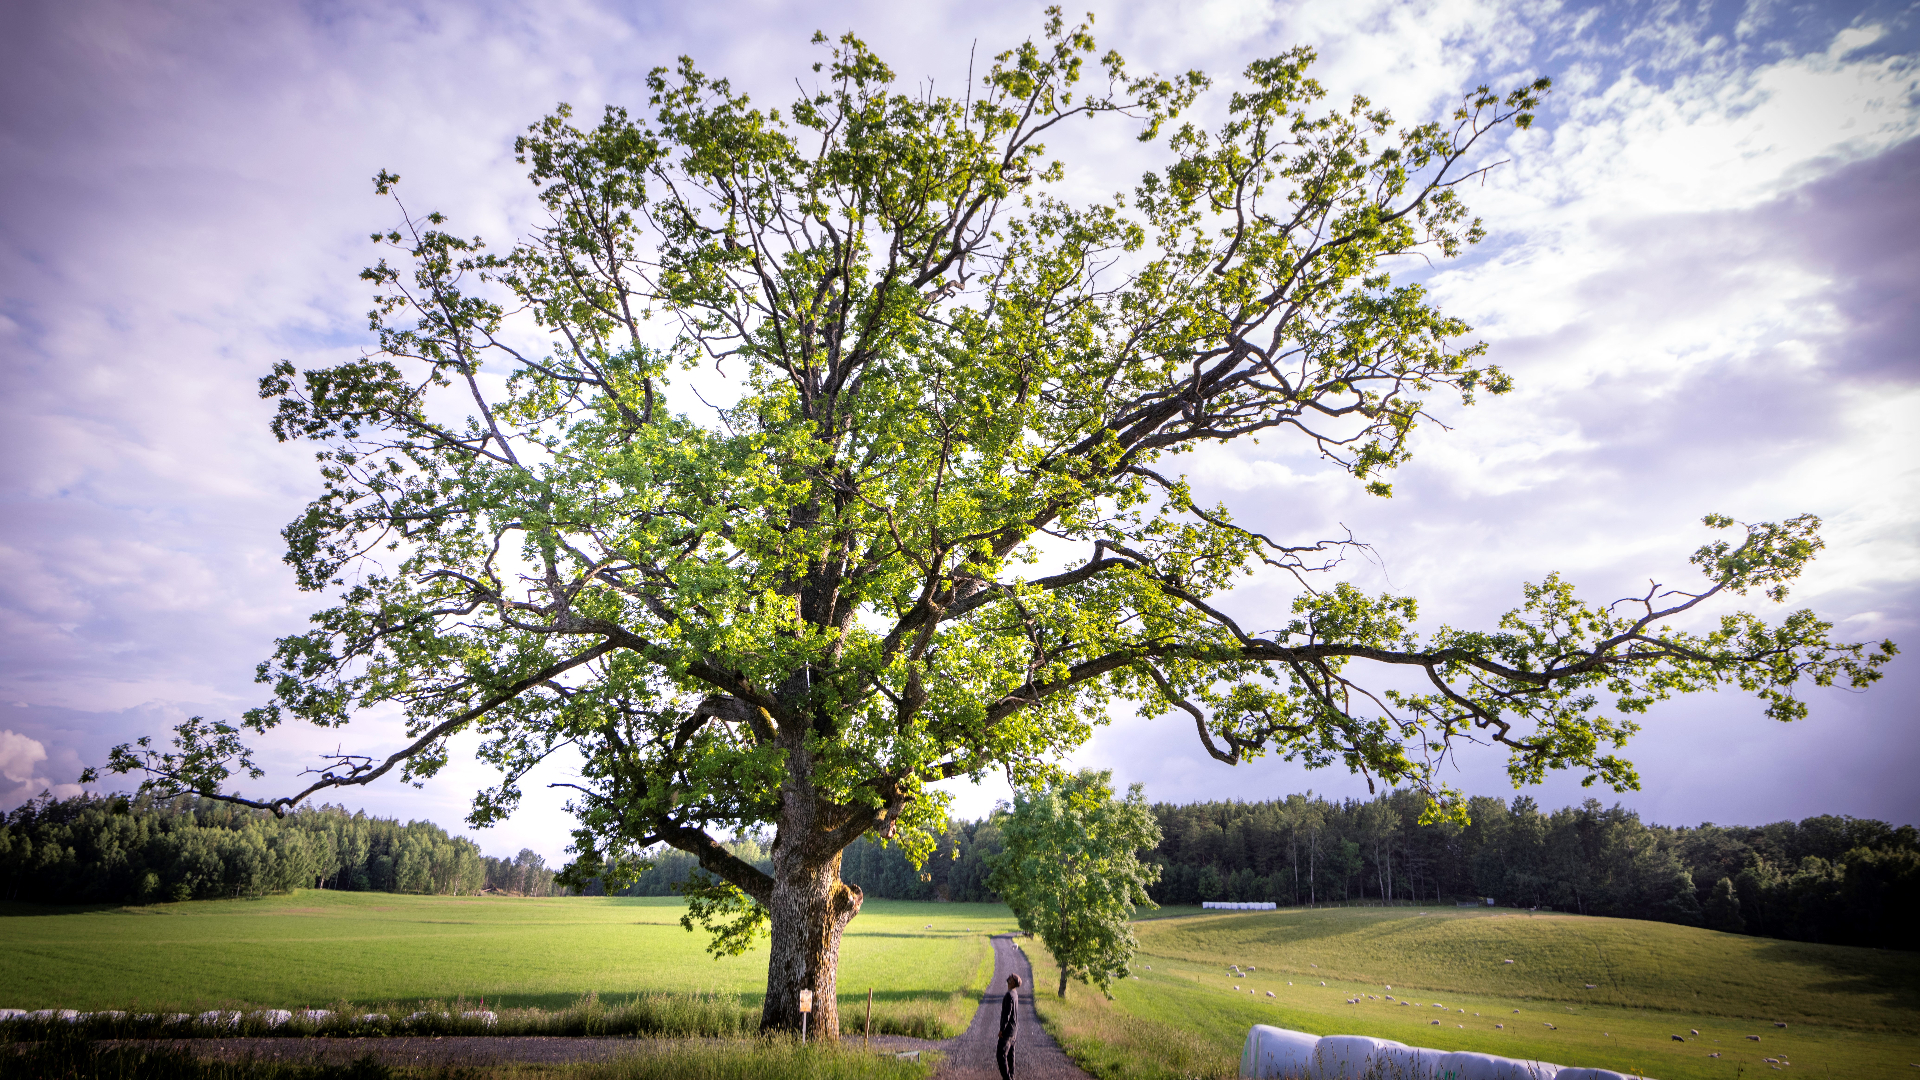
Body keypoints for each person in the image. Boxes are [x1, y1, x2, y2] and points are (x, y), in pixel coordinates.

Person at [997, 972, 1021, 1080]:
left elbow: (1007, 1014)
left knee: (1001, 1055)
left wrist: (1002, 1030)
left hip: (1007, 1031)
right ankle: (1011, 1076)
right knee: (1011, 1056)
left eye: (1011, 977)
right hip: (1014, 1030)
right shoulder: (1014, 994)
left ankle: (1007, 1078)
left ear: (1013, 982)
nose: (1008, 978)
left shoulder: (1009, 995)